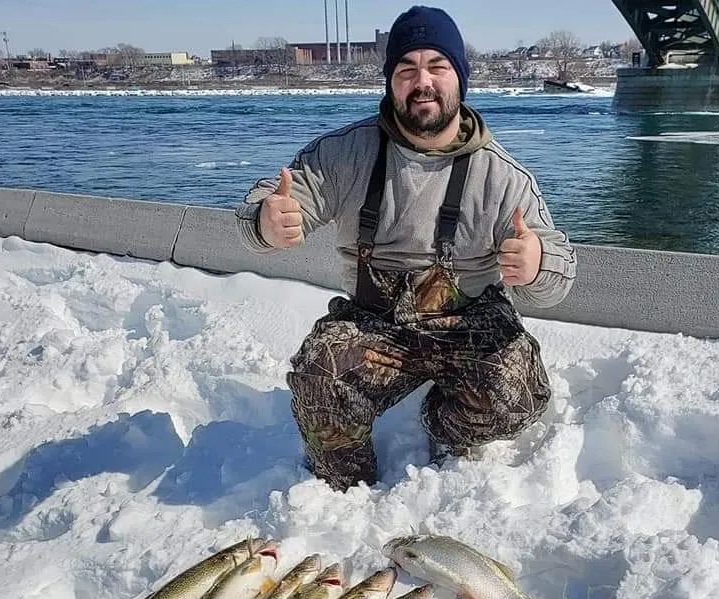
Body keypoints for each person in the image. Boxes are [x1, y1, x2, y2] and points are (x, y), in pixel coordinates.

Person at [235, 5, 576, 492]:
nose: (423, 82)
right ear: (390, 81)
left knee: (518, 395)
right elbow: (275, 199)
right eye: (406, 69)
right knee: (317, 376)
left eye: (437, 66)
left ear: (460, 78)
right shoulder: (345, 154)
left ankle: (439, 424)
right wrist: (266, 219)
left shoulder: (503, 177)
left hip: (468, 324)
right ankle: (347, 495)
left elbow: (560, 271)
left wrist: (538, 263)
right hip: (373, 324)